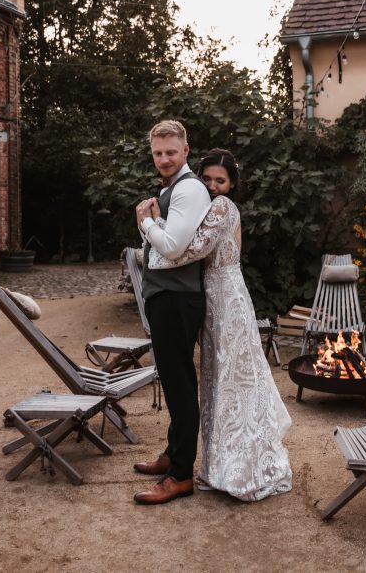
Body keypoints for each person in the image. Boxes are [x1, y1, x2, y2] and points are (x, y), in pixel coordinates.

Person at [144, 148, 293, 501]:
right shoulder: (206, 206)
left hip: (226, 299)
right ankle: (209, 459)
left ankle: (241, 466)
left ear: (233, 184)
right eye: (207, 179)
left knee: (231, 381)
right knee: (215, 380)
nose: (213, 186)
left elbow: (190, 248)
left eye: (220, 181)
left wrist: (150, 223)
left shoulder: (223, 208)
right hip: (210, 297)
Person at [132, 120, 211, 505]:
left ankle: (181, 475)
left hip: (177, 300)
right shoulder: (171, 189)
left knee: (179, 385)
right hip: (167, 297)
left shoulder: (189, 189)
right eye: (158, 153)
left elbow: (174, 247)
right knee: (173, 379)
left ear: (185, 151)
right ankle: (172, 455)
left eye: (170, 152)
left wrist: (145, 221)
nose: (163, 159)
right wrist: (152, 222)